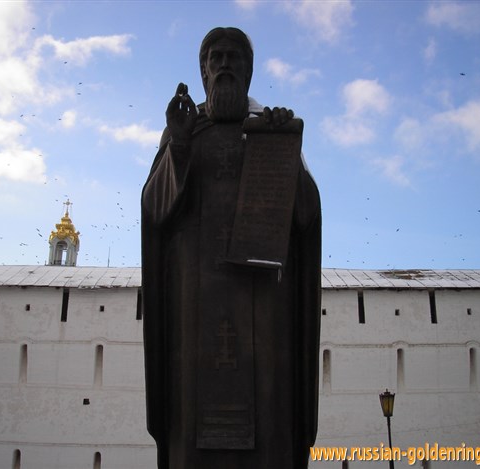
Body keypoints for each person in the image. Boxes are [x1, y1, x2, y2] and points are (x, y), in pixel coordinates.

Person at [141, 27, 321, 469]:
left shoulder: (269, 131)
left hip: (264, 306)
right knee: (193, 414)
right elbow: (154, 211)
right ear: (202, 72)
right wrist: (179, 143)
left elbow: (306, 216)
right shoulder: (184, 132)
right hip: (193, 305)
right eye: (215, 58)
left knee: (268, 415)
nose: (224, 65)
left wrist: (283, 150)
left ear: (248, 71)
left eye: (233, 58)